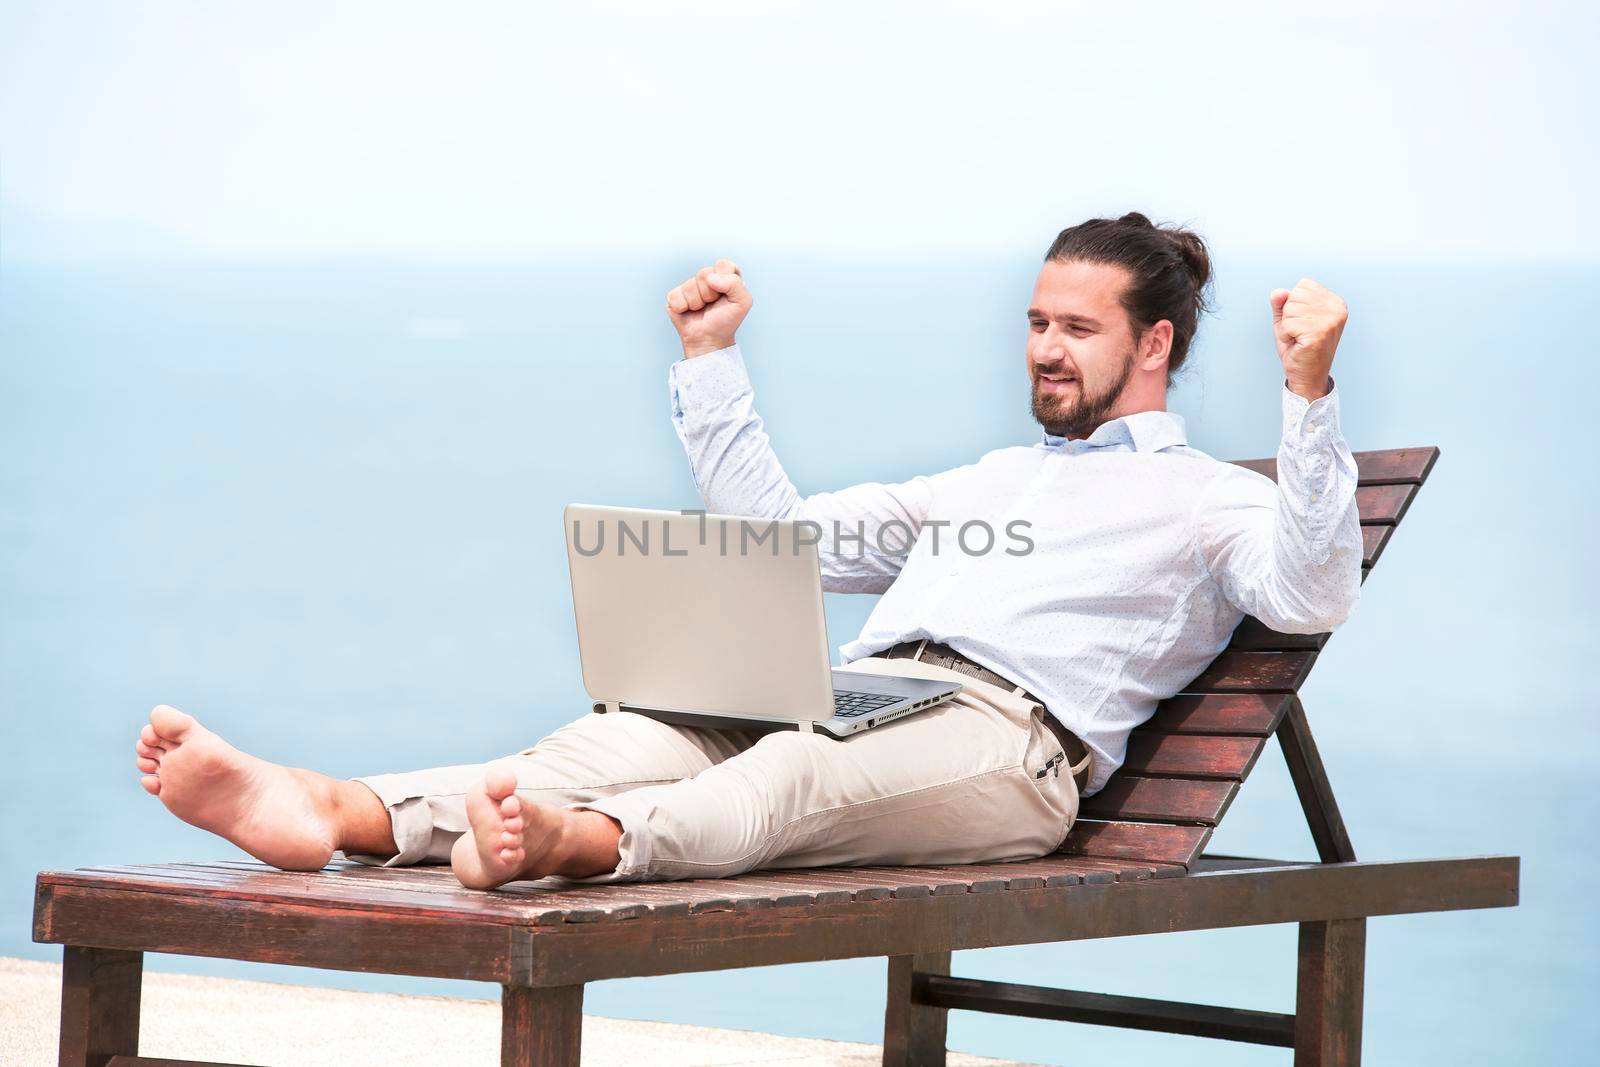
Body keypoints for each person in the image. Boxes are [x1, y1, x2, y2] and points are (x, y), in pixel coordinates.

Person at [132, 212, 1360, 891]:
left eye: (1075, 328)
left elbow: (1310, 588)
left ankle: (577, 846)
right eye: (1035, 321)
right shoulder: (987, 481)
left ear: (1152, 345)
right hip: (861, 692)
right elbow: (780, 541)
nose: (1044, 347)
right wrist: (712, 362)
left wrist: (1307, 396)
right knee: (605, 742)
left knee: (773, 790)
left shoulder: (1205, 502)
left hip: (1004, 744)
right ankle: (327, 807)